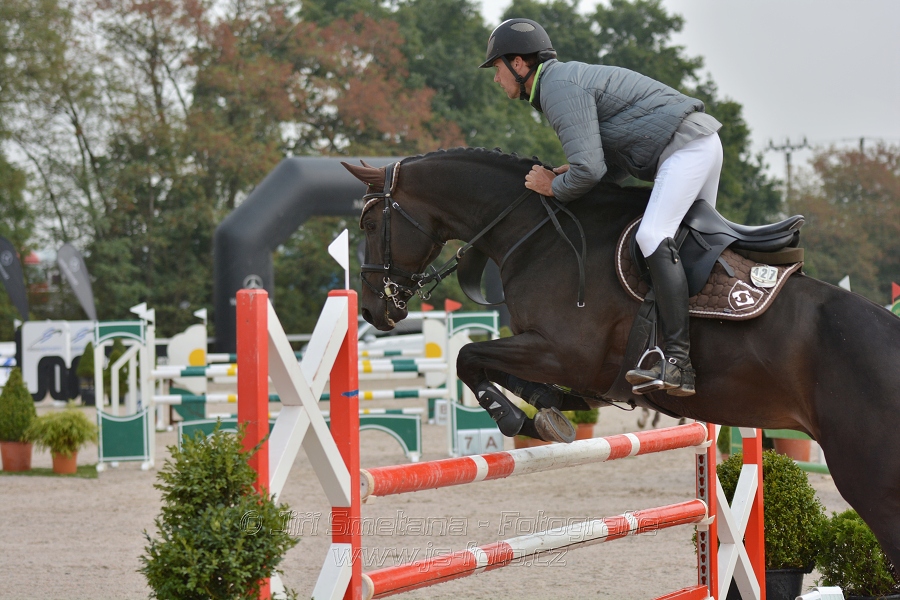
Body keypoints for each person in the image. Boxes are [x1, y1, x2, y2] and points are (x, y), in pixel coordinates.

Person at [480, 18, 725, 397]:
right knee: (687, 247)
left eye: (496, 68)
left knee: (652, 235)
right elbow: (608, 166)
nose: (496, 79)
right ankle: (698, 349)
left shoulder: (557, 88)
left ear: (518, 63)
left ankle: (677, 362)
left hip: (687, 148)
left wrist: (553, 185)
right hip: (694, 144)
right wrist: (568, 174)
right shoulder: (562, 82)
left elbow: (590, 170)